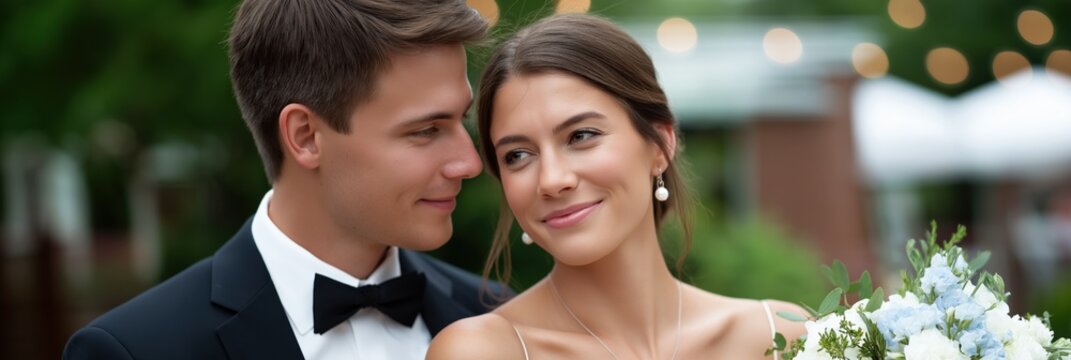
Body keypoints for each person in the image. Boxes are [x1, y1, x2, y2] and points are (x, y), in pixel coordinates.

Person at [63, 1, 509, 359]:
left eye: (462, 120)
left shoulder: (499, 317)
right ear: (306, 137)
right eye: (426, 130)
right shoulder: (135, 350)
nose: (469, 163)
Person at [427, 14, 806, 359]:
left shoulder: (785, 336)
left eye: (581, 136)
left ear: (660, 145)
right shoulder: (483, 351)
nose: (552, 180)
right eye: (518, 155)